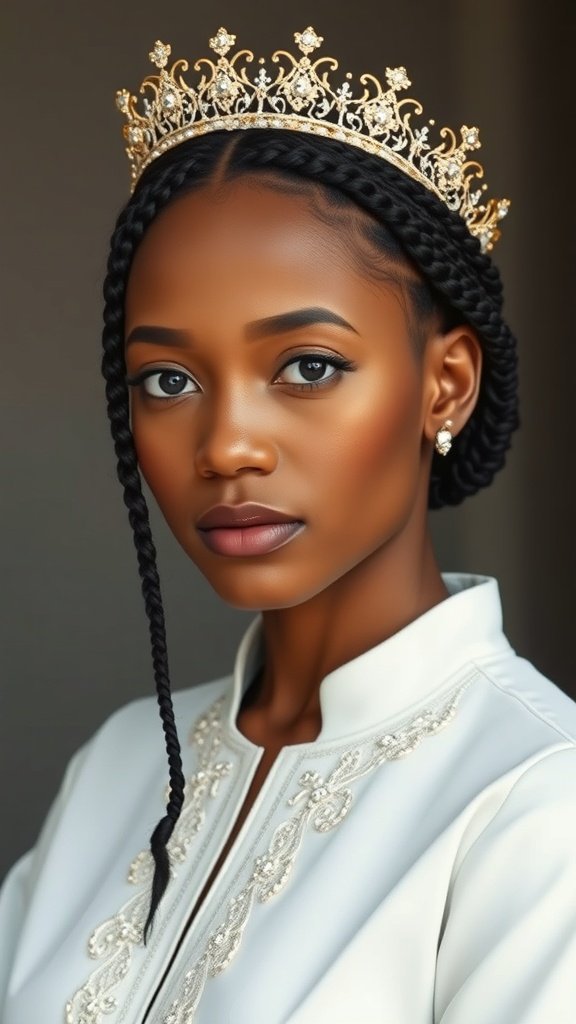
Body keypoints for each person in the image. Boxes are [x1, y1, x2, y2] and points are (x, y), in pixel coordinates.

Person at [1, 24, 575, 1024]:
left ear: (445, 385)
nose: (226, 444)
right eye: (168, 379)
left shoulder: (534, 800)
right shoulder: (123, 760)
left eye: (307, 365)